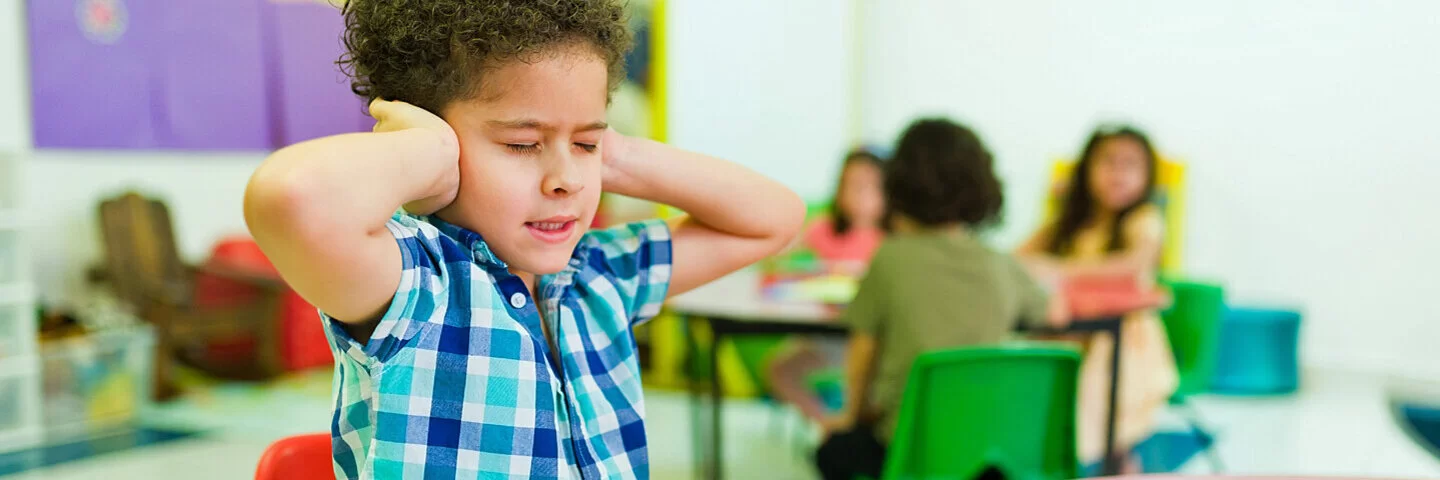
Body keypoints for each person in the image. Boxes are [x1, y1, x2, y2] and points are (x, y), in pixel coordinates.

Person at [243, 1, 806, 478]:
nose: (566, 179)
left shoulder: (599, 279)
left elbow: (774, 217)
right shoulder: (414, 284)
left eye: (585, 145)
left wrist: (614, 152)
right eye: (521, 144)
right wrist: (431, 152)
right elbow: (293, 198)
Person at [814, 118, 1067, 480]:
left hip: (909, 450)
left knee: (835, 450)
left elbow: (862, 354)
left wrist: (851, 415)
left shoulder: (890, 258)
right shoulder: (999, 262)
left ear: (898, 183)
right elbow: (1054, 314)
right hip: (991, 455)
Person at [1017, 125, 1179, 470]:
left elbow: (1135, 264)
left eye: (1130, 165)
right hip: (1069, 333)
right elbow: (1018, 258)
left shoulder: (1143, 220)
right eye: (1108, 162)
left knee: (1100, 393)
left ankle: (1109, 460)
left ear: (1147, 176)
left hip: (1126, 341)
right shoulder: (1068, 223)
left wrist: (1060, 269)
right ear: (1086, 168)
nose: (1118, 174)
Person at [766, 148, 886, 425]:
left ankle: (852, 423)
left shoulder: (890, 240)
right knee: (779, 370)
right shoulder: (825, 228)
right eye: (851, 186)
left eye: (869, 187)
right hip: (823, 335)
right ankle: (828, 425)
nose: (859, 195)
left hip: (868, 339)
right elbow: (779, 255)